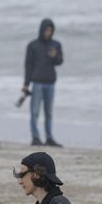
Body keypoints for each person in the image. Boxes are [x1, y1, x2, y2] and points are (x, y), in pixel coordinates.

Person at [23, 19, 63, 147]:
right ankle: (35, 136)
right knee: (35, 111)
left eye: (50, 30)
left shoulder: (56, 45)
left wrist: (54, 56)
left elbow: (60, 61)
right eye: (46, 30)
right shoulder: (33, 45)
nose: (48, 33)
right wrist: (26, 84)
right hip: (37, 82)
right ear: (41, 30)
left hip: (50, 82)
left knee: (49, 112)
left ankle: (49, 137)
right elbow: (28, 65)